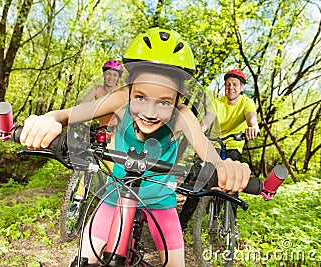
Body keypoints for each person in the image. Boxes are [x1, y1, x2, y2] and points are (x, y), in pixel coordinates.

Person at [19, 28, 251, 267]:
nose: (149, 113)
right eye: (140, 97)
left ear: (178, 100)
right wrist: (48, 119)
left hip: (160, 199)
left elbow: (211, 156)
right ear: (129, 90)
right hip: (115, 194)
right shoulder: (120, 99)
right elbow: (67, 115)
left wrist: (226, 168)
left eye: (164, 102)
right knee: (81, 261)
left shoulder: (181, 115)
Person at [179, 68, 260, 231]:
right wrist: (199, 129)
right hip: (214, 142)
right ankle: (182, 221)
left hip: (234, 144)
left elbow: (251, 117)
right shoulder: (217, 102)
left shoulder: (246, 102)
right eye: (228, 84)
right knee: (202, 178)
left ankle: (232, 223)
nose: (231, 87)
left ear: (242, 87)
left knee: (233, 176)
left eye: (235, 84)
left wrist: (254, 127)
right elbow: (209, 118)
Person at [80, 59, 124, 127]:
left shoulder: (122, 92)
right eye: (108, 73)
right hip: (102, 129)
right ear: (103, 75)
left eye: (115, 75)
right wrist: (71, 119)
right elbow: (81, 107)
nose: (111, 77)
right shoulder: (97, 89)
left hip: (119, 129)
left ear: (118, 78)